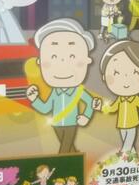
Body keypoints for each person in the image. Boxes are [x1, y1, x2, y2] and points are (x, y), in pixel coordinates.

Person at [26, 18, 99, 154]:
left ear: (86, 60)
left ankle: (62, 164)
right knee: (70, 150)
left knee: (64, 150)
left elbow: (90, 102)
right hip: (56, 123)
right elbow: (46, 108)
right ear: (40, 62)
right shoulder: (55, 92)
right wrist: (35, 99)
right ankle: (76, 163)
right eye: (53, 57)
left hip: (72, 123)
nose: (63, 64)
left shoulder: (78, 91)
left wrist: (86, 116)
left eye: (72, 57)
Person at [99, 40, 139, 154]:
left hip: (132, 125)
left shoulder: (135, 99)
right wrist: (101, 107)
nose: (125, 79)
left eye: (135, 73)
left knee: (127, 146)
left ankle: (122, 156)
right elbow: (112, 108)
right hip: (121, 125)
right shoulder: (120, 99)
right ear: (105, 76)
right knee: (129, 145)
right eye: (116, 73)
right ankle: (134, 159)